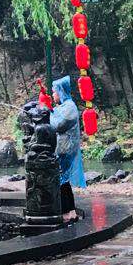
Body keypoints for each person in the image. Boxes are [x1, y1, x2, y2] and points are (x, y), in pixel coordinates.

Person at [50, 75, 86, 222]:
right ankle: (70, 212)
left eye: (55, 92)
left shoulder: (70, 107)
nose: (53, 95)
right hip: (63, 148)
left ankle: (67, 213)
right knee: (63, 182)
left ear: (61, 91)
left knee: (62, 181)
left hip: (66, 149)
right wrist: (49, 109)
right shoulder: (64, 106)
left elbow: (59, 125)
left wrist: (49, 113)